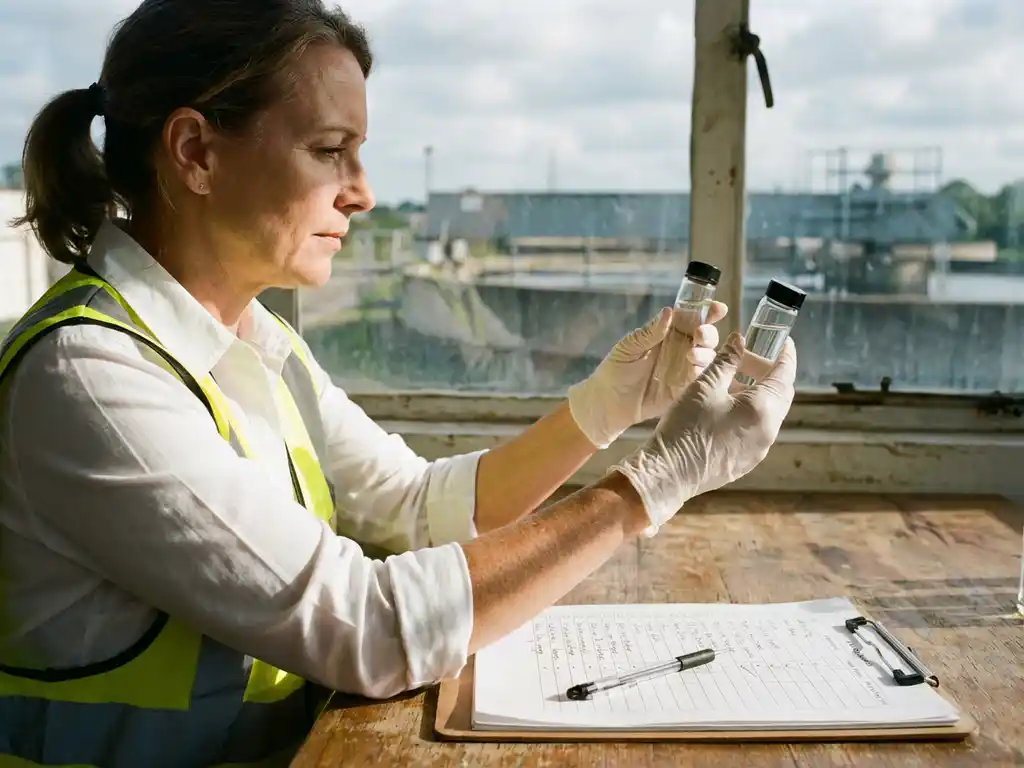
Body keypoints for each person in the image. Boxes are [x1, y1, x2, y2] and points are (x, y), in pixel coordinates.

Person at [0, 1, 797, 766]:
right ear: (195, 152)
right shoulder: (89, 379)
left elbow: (419, 510)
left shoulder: (249, 337)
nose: (363, 191)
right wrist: (651, 485)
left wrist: (607, 406)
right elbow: (371, 630)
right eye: (327, 149)